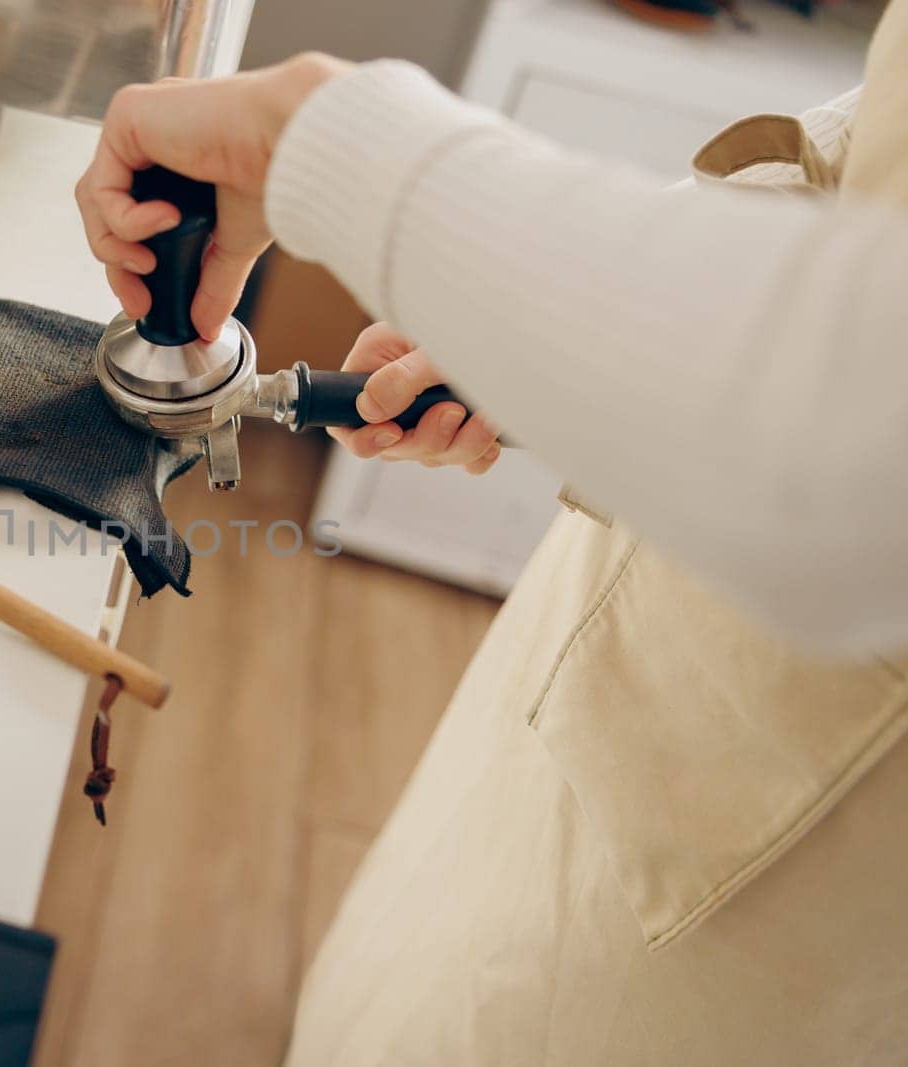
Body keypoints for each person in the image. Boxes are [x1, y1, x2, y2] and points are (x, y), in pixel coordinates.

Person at [75, 5, 908, 1064]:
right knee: (407, 954)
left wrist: (323, 137)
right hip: (650, 620)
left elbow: (857, 443)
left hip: (799, 835)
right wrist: (545, 320)